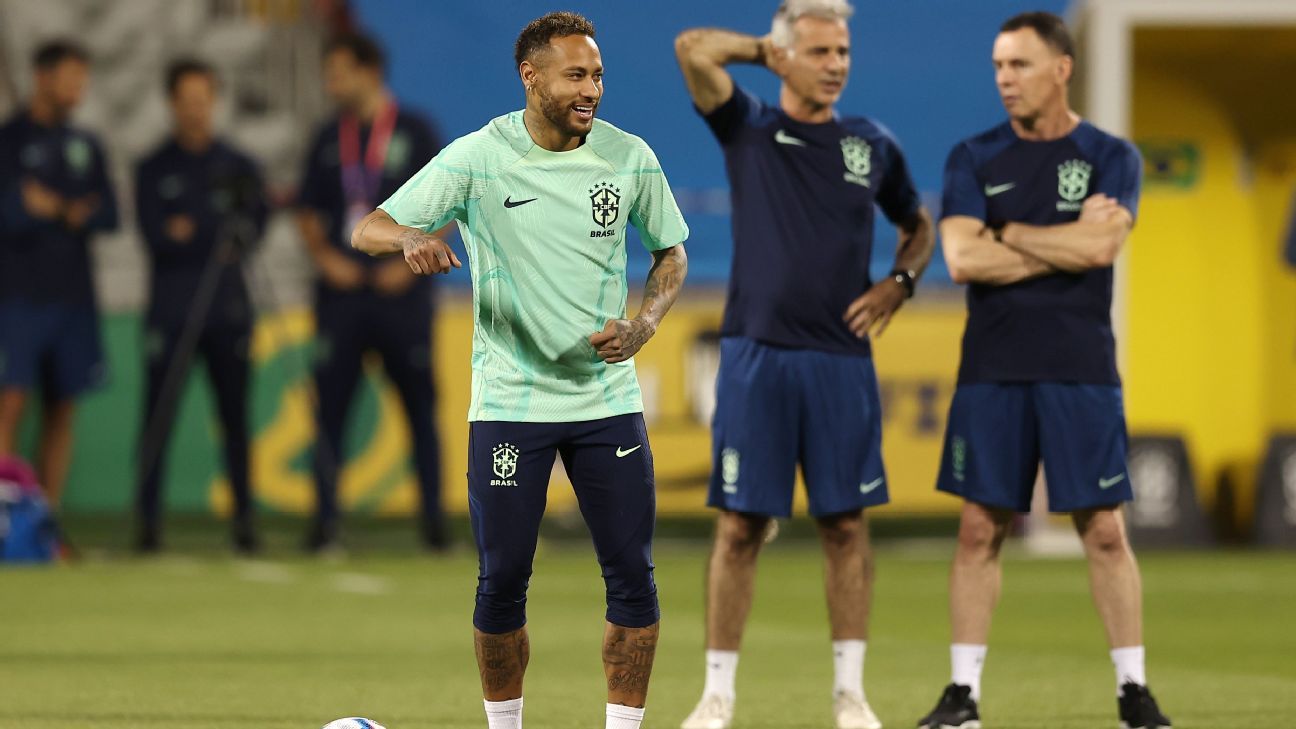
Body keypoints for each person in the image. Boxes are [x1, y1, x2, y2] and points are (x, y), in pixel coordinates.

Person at [351, 13, 688, 729]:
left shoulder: (629, 158)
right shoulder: (479, 157)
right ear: (531, 78)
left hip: (604, 398)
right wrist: (413, 237)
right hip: (512, 402)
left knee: (633, 578)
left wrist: (646, 323)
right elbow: (368, 226)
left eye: (596, 74)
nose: (591, 88)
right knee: (502, 580)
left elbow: (671, 252)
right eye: (575, 75)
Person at [673, 1, 934, 726]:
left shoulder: (872, 144)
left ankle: (850, 692)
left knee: (845, 526)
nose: (837, 64)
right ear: (791, 57)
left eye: (843, 50)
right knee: (738, 529)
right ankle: (717, 693)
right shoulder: (748, 125)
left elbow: (917, 225)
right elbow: (692, 49)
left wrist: (902, 281)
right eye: (821, 51)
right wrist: (765, 49)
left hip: (839, 360)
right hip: (756, 354)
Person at [915, 12, 1171, 729]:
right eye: (998, 66)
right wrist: (1066, 239)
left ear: (1061, 69)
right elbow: (963, 259)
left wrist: (1010, 232)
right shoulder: (974, 156)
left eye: (1019, 65)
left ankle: (1133, 689)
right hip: (991, 370)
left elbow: (1101, 250)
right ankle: (962, 693)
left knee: (1105, 530)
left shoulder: (1112, 155)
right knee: (977, 530)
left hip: (1081, 369)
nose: (1004, 78)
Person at [297, 32, 446, 552]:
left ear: (368, 70)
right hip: (340, 296)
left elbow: (452, 205)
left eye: (337, 70)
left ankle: (434, 527)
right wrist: (327, 261)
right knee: (330, 412)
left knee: (420, 411)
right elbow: (308, 214)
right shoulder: (324, 138)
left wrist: (411, 266)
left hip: (402, 295)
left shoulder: (415, 131)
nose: (330, 82)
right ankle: (324, 527)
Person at [133, 59, 268, 554]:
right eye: (186, 100)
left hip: (229, 310)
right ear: (172, 104)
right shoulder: (153, 167)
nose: (195, 110)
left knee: (235, 421)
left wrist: (193, 231)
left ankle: (245, 526)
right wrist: (210, 236)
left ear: (214, 101)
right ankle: (145, 525)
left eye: (203, 99)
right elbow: (157, 237)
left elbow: (251, 231)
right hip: (169, 312)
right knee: (158, 419)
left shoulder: (239, 165)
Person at [0, 40, 118, 508]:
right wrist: (62, 210)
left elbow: (108, 214)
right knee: (11, 402)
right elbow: (10, 212)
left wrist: (55, 208)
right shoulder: (8, 141)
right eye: (70, 76)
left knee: (62, 406)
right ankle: (5, 518)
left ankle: (43, 520)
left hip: (75, 297)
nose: (78, 87)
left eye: (83, 78)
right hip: (19, 295)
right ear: (42, 76)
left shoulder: (86, 144)